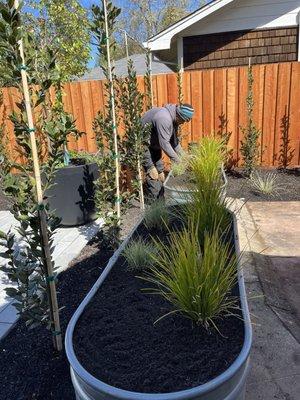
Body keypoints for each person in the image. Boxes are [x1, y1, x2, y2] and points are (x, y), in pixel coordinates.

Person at [142, 103, 194, 200]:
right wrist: (178, 161)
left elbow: (174, 143)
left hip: (154, 145)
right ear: (180, 115)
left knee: (161, 172)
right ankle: (155, 206)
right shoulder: (164, 118)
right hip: (143, 146)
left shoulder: (174, 120)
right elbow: (165, 144)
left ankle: (161, 200)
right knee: (153, 173)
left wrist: (185, 157)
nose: (183, 123)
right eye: (184, 120)